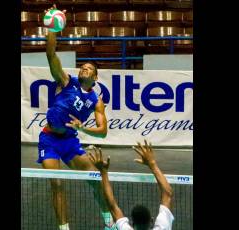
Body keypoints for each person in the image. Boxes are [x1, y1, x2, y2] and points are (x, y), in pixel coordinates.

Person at [37, 4, 115, 230]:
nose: (84, 69)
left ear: (95, 77)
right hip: (49, 139)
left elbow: (103, 132)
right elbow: (50, 54)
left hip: (70, 140)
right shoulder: (66, 82)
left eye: (89, 68)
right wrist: (52, 27)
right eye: (83, 66)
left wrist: (83, 128)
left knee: (94, 178)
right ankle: (64, 228)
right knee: (57, 184)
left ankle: (108, 218)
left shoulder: (96, 101)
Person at [88, 140, 175, 230]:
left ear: (132, 223)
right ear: (152, 221)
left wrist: (103, 172)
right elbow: (167, 194)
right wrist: (152, 164)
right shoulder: (163, 227)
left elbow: (111, 205)